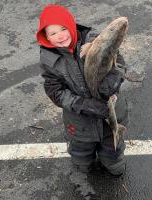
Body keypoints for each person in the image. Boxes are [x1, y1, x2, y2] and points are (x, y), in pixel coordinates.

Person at [36, 4, 128, 176]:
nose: (60, 36)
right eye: (53, 33)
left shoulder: (93, 40)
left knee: (113, 149)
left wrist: (114, 78)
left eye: (63, 29)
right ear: (46, 37)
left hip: (111, 108)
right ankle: (82, 163)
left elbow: (119, 61)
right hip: (79, 122)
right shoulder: (48, 60)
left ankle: (113, 162)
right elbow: (55, 91)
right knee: (81, 151)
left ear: (71, 25)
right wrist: (82, 104)